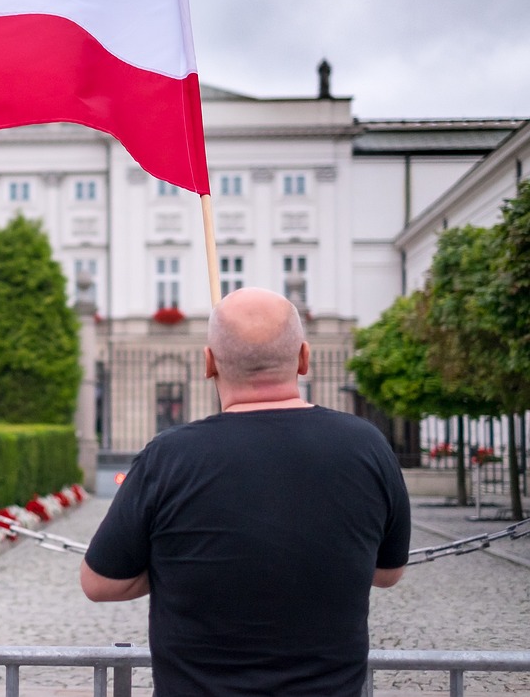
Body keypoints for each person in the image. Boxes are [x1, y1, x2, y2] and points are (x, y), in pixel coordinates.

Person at [81, 287, 411, 696]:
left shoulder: (169, 456)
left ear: (208, 363)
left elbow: (101, 583)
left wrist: (185, 562)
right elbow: (388, 572)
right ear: (304, 357)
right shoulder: (367, 445)